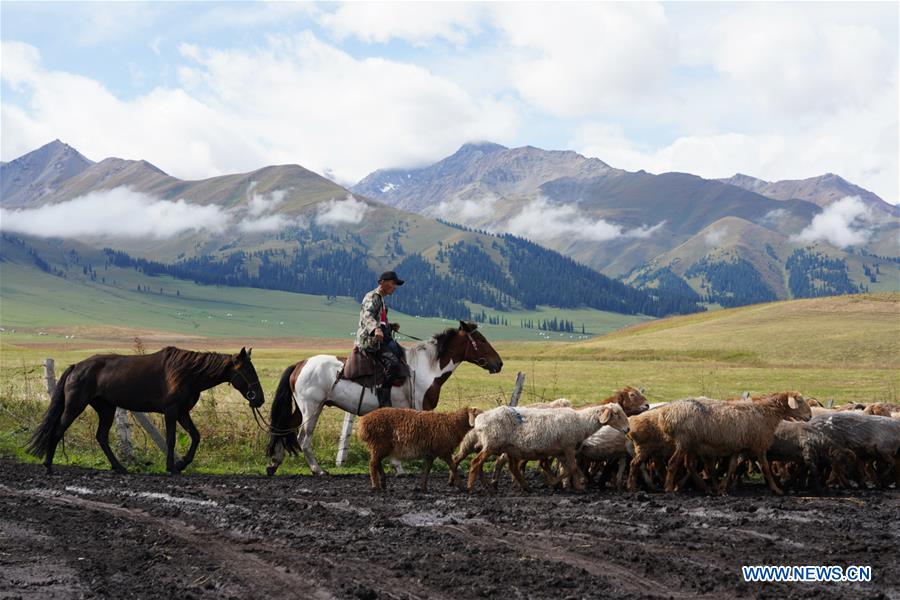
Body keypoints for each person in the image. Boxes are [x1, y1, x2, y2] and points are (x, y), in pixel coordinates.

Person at [356, 271, 405, 408]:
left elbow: (380, 321)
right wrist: (375, 329)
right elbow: (367, 316)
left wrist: (390, 326)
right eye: (392, 283)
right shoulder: (372, 297)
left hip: (381, 338)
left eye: (395, 284)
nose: (394, 287)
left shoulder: (381, 300)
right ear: (382, 282)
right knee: (393, 364)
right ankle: (383, 397)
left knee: (402, 354)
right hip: (370, 340)